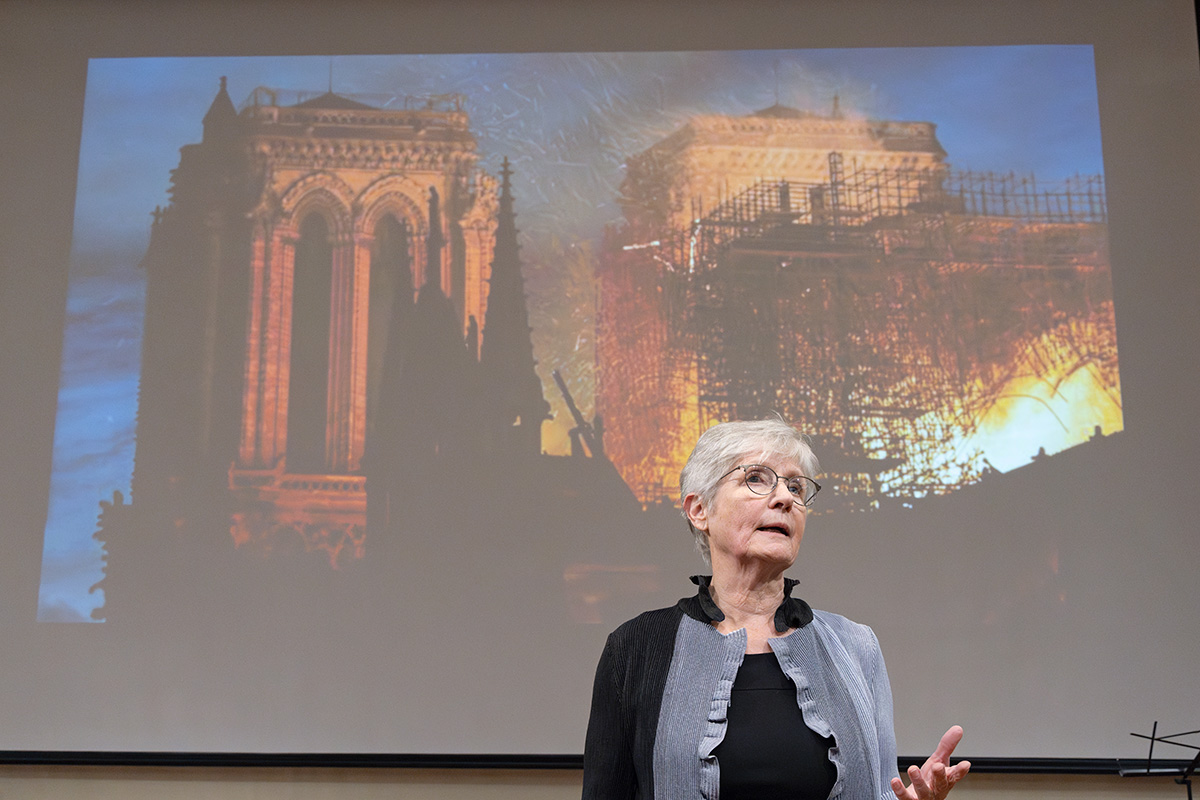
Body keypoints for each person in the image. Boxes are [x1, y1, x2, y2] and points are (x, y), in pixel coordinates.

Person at [582, 418, 970, 800]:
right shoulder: (634, 648)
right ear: (699, 510)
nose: (785, 497)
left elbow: (882, 792)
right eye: (756, 478)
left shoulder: (856, 646)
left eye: (796, 486)